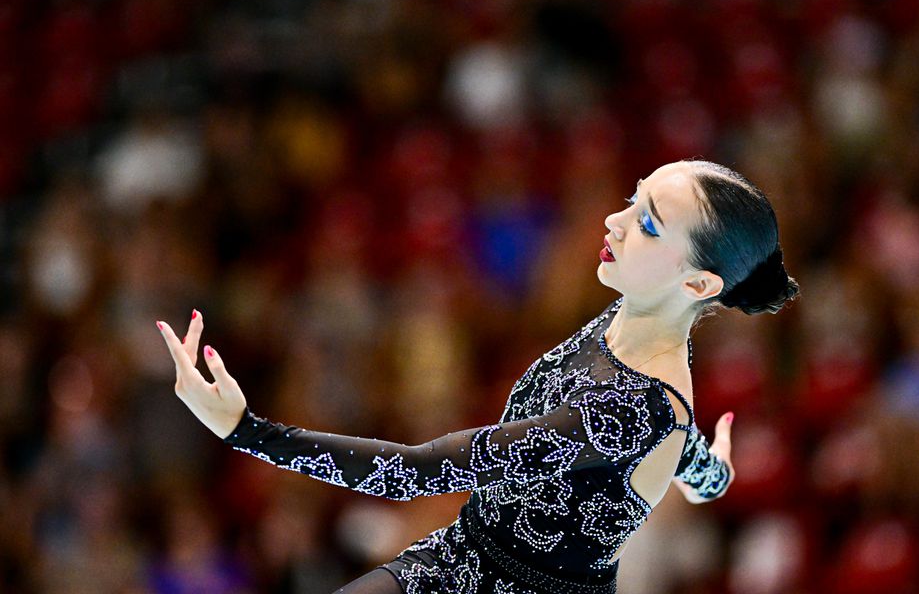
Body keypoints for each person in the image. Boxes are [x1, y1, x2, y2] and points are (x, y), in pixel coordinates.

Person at [156, 159, 800, 594]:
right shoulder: (633, 319)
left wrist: (245, 430)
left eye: (647, 224)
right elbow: (686, 457)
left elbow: (419, 472)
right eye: (634, 201)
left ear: (697, 283)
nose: (615, 221)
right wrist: (711, 471)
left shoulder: (634, 406)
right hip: (459, 557)